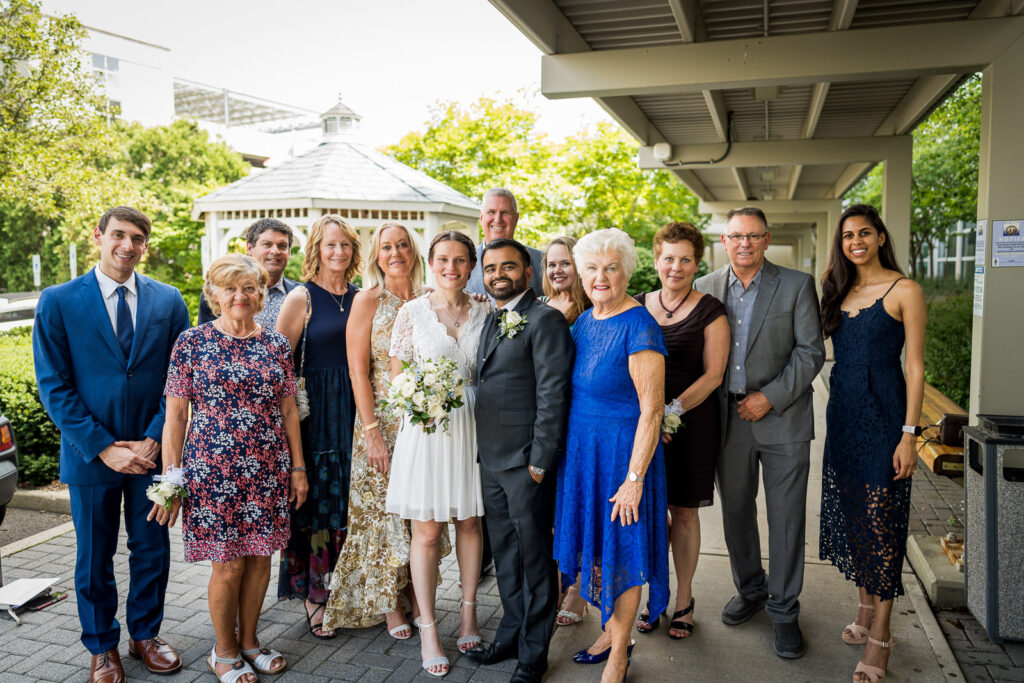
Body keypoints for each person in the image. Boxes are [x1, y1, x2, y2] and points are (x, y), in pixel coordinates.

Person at [33, 206, 189, 683]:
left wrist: (151, 441)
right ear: (99, 236)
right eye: (118, 235)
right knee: (94, 556)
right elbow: (53, 384)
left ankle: (146, 636)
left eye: (137, 238)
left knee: (151, 549)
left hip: (151, 453)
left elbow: (179, 380)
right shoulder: (58, 301)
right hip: (89, 456)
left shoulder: (168, 301)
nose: (127, 245)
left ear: (146, 245)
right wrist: (104, 447)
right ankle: (102, 647)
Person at [154, 252, 307, 682]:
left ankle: (250, 642)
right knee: (229, 564)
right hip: (213, 473)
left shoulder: (275, 344)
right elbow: (175, 417)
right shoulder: (191, 342)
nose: (239, 295)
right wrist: (171, 479)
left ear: (261, 295)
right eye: (230, 287)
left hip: (267, 470)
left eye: (249, 288)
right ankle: (222, 652)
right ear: (214, 294)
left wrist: (298, 468)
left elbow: (289, 410)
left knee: (260, 559)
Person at [694, 206, 825, 659]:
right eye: (736, 236)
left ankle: (785, 609)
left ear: (766, 240)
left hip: (782, 417)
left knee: (786, 518)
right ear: (724, 240)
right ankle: (751, 589)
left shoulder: (796, 285)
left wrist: (770, 396)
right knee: (735, 513)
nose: (744, 243)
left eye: (753, 236)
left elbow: (811, 353)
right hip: (728, 421)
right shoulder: (705, 287)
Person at [323, 223, 451, 636]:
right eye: (386, 247)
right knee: (382, 515)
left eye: (402, 245)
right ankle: (388, 603)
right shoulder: (368, 300)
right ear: (376, 256)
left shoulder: (433, 299)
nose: (395, 252)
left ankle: (416, 594)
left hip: (426, 424)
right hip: (380, 422)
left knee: (420, 516)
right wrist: (373, 432)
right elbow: (358, 373)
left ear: (413, 251)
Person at [553, 228, 668, 683]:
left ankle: (619, 652)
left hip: (623, 459)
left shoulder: (640, 326)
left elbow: (653, 410)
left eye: (611, 267)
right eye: (592, 268)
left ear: (627, 272)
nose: (601, 277)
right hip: (584, 458)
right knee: (597, 548)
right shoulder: (583, 322)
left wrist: (634, 478)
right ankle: (609, 633)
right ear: (581, 274)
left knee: (623, 550)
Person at [818, 205, 925, 682]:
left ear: (881, 236)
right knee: (855, 515)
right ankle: (864, 606)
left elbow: (916, 367)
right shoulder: (839, 290)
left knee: (882, 525)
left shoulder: (905, 290)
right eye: (847, 236)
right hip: (843, 416)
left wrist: (909, 435)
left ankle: (882, 635)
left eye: (864, 233)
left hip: (885, 420)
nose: (856, 241)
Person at [464, 238, 574, 683]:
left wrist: (539, 462)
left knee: (534, 559)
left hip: (526, 464)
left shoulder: (544, 321)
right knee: (506, 555)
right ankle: (509, 633)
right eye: (490, 269)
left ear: (529, 272)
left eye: (508, 267)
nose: (498, 275)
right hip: (491, 460)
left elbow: (553, 395)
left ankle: (533, 654)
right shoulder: (494, 319)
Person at [385, 231, 491, 677]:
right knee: (426, 532)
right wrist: (418, 399)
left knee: (470, 520)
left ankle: (468, 613)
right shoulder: (411, 312)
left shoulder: (488, 309)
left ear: (472, 265)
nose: (452, 267)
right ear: (431, 263)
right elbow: (396, 372)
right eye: (443, 259)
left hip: (475, 425)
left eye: (461, 260)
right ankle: (429, 627)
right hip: (427, 428)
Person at [634, 222, 729, 639]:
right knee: (650, 514)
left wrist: (667, 415)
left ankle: (684, 600)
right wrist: (648, 420)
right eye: (668, 258)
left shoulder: (711, 310)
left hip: (690, 424)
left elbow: (713, 376)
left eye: (685, 259)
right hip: (641, 425)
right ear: (656, 260)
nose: (676, 267)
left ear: (697, 263)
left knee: (684, 513)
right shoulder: (635, 306)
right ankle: (655, 597)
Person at [274, 214, 360, 637]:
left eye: (345, 244)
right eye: (330, 244)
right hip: (317, 414)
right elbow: (278, 369)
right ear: (316, 249)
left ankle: (348, 589)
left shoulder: (364, 296)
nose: (338, 252)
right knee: (320, 504)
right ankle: (315, 593)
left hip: (358, 409)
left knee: (350, 502)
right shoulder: (301, 298)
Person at [197, 218, 299, 326]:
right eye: (267, 244)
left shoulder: (303, 295)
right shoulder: (218, 293)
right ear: (250, 248)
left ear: (289, 251)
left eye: (282, 246)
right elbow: (205, 337)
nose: (275, 251)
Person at [466, 188, 544, 296]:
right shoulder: (464, 262)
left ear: (516, 218)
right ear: (481, 217)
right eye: (491, 212)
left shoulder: (541, 261)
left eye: (505, 213)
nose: (498, 219)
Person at [541, 235, 591, 328]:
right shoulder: (539, 303)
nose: (557, 270)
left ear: (580, 266)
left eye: (566, 263)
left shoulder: (593, 310)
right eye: (552, 265)